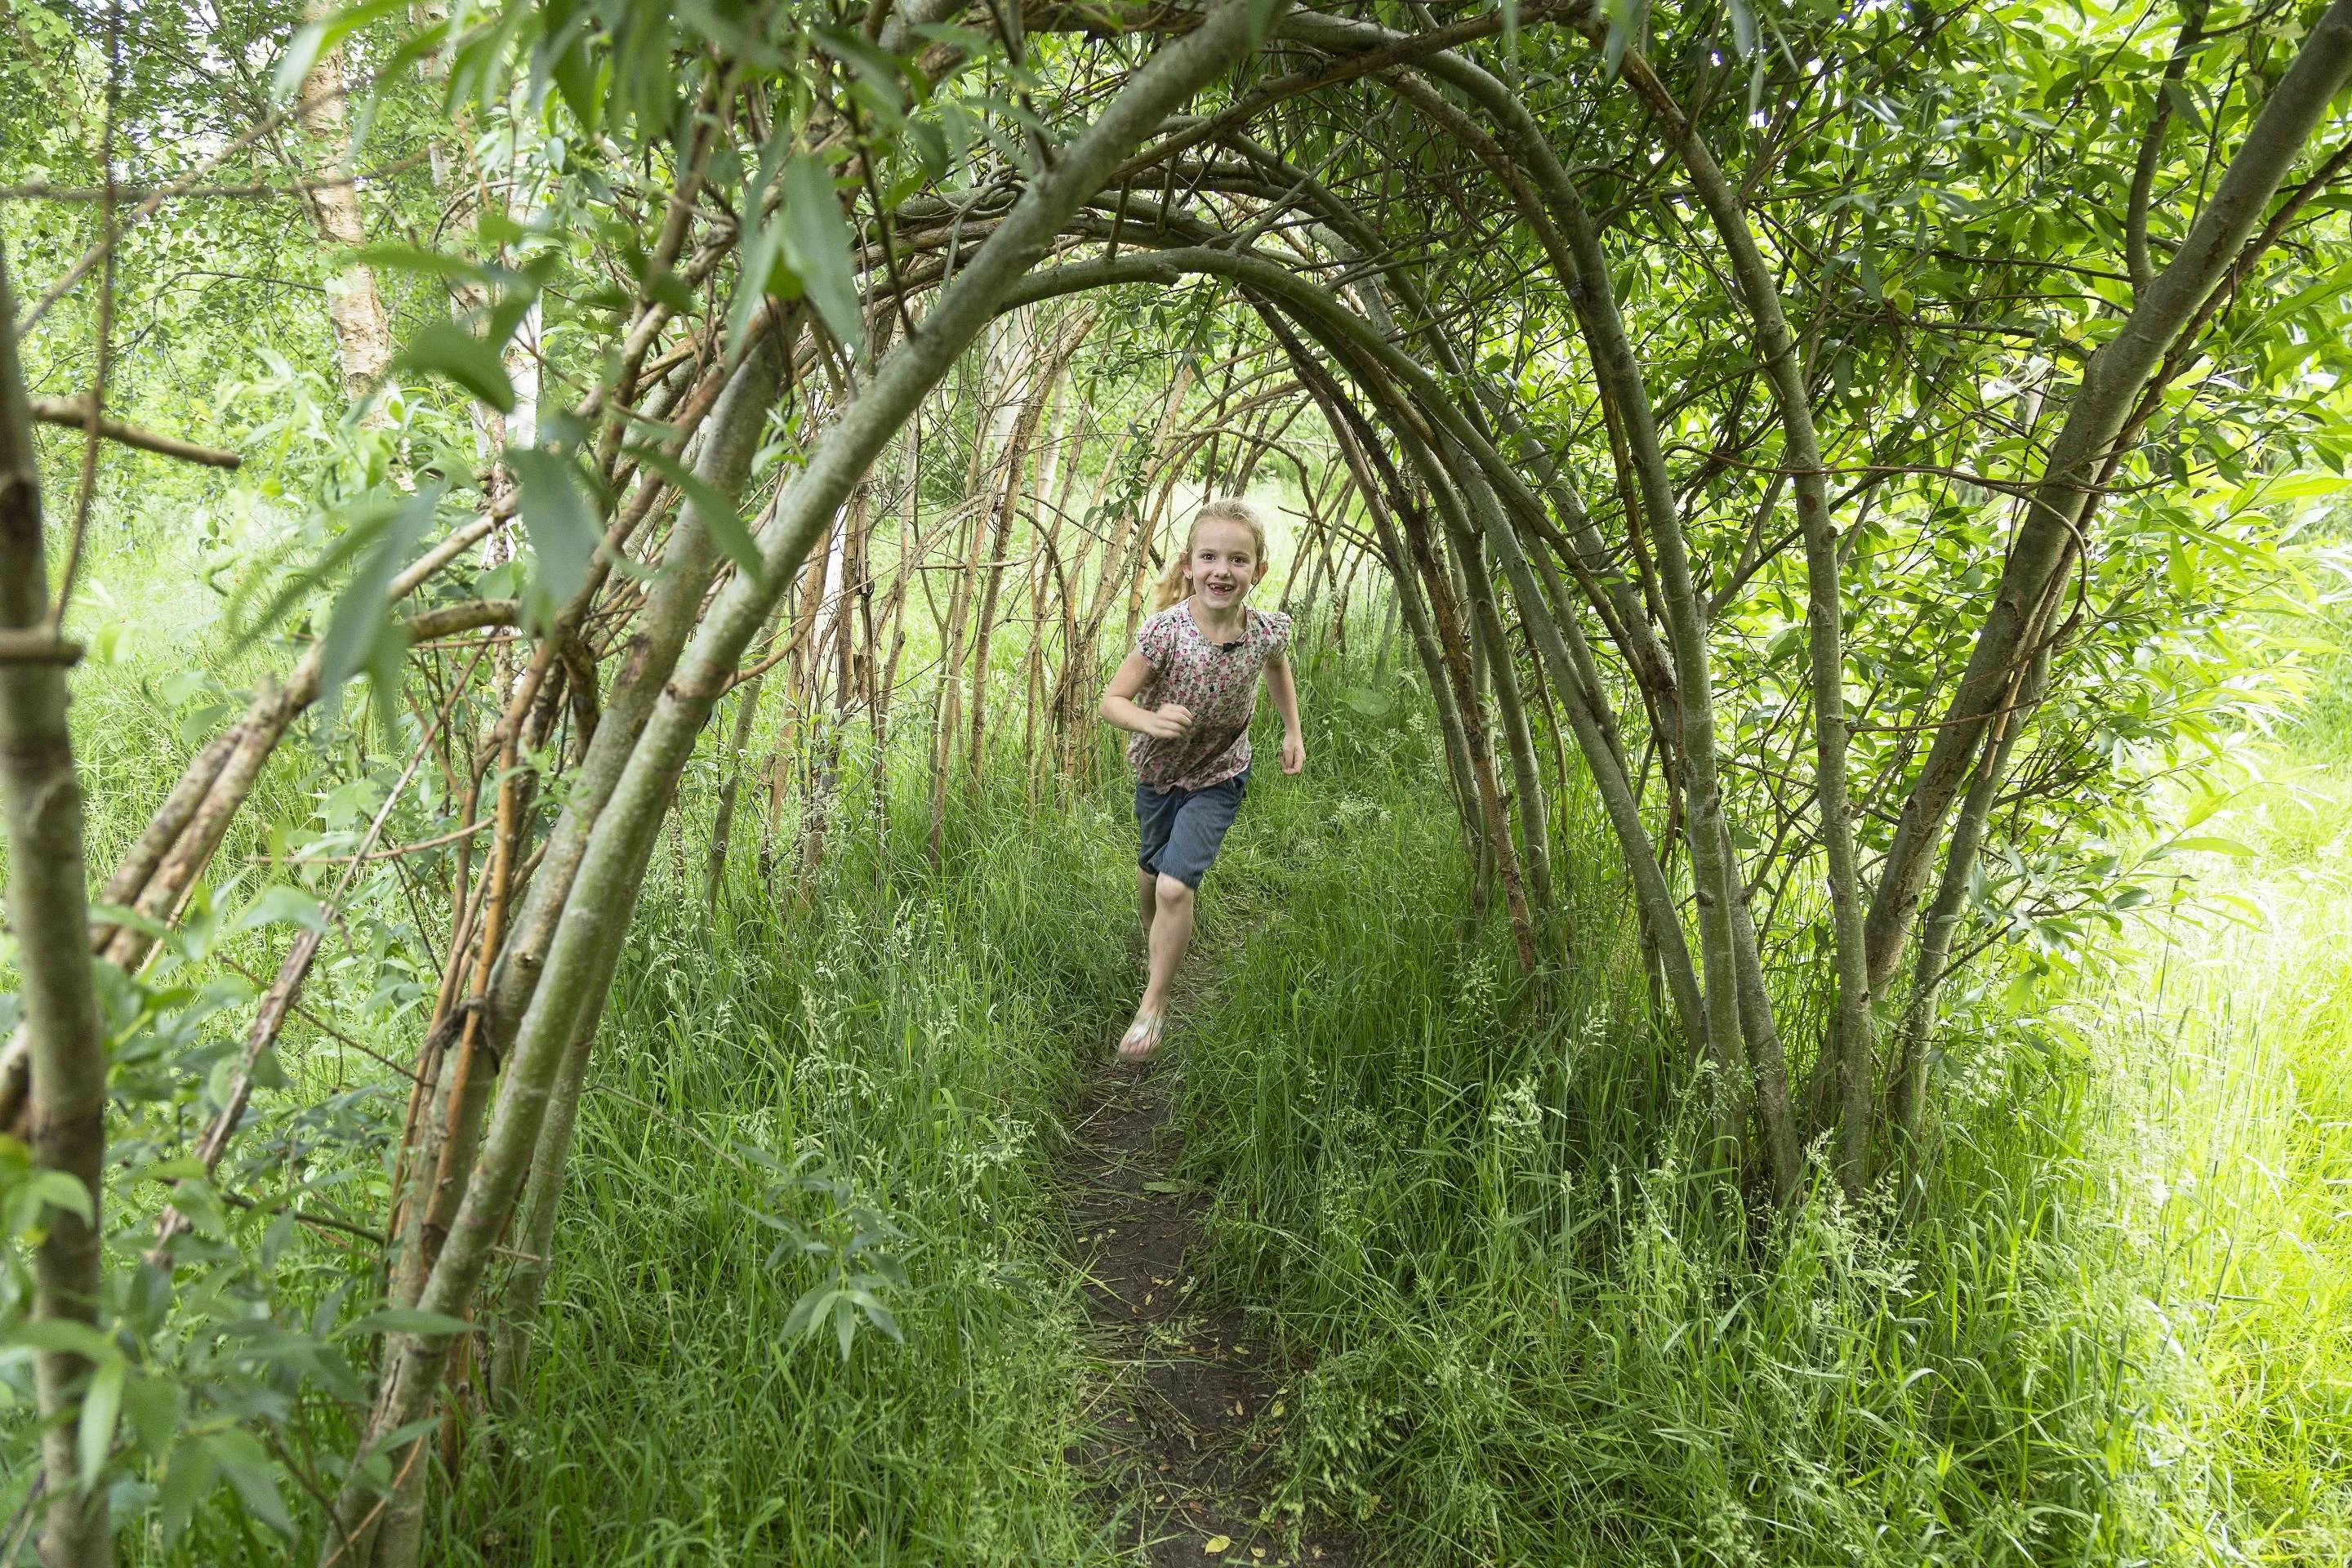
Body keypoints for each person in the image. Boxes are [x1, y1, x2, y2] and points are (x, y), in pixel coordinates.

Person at [1098, 497, 1304, 1061]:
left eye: (1238, 560)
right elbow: (1111, 702)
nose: (1222, 570)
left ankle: (1155, 1003)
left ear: (1258, 572)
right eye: (1209, 556)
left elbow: (1277, 666)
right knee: (1150, 872)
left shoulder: (1264, 631)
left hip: (1220, 775)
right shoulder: (1165, 633)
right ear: (1189, 564)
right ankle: (1158, 941)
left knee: (1174, 884)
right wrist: (1149, 719)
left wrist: (1293, 731)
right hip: (1158, 775)